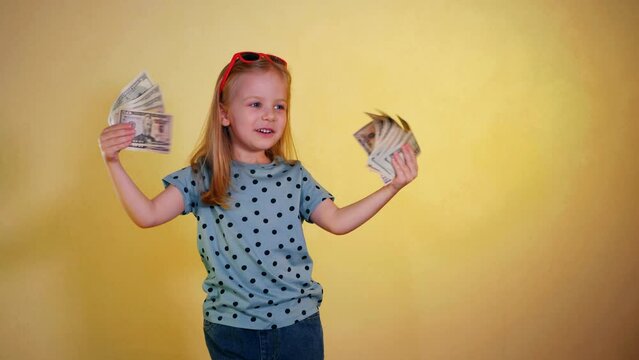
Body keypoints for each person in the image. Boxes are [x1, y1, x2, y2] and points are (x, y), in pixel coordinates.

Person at [98, 51, 418, 360]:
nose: (269, 115)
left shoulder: (294, 175)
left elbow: (337, 221)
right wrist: (113, 162)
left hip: (299, 327)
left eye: (280, 106)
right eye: (255, 104)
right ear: (224, 114)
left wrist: (392, 187)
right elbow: (148, 215)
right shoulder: (204, 176)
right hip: (231, 331)